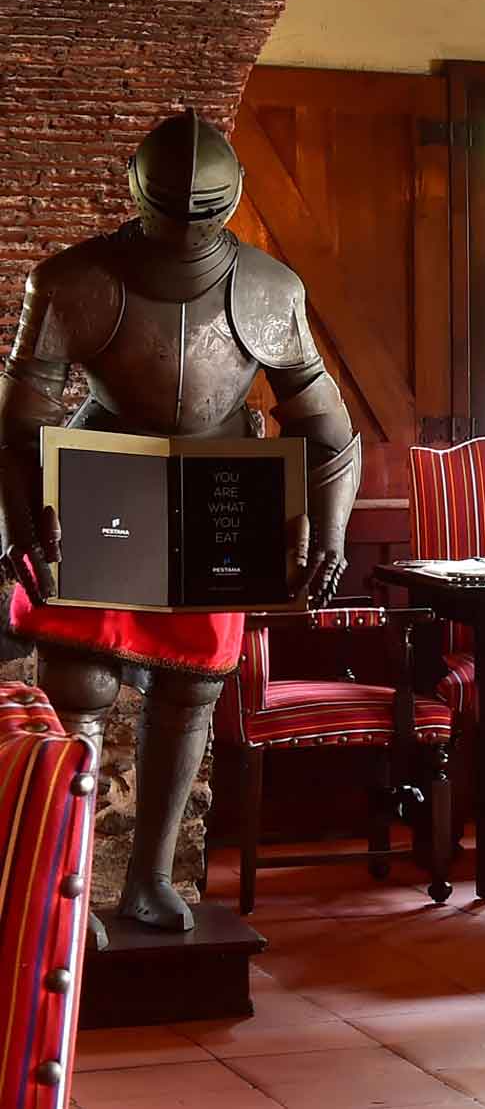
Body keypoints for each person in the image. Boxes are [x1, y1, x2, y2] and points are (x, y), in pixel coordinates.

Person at [0, 112, 359, 944]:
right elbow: (18, 424)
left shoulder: (270, 287)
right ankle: (71, 888)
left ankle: (151, 879)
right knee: (81, 685)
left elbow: (327, 425)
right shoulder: (74, 279)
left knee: (192, 684)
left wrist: (331, 529)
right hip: (97, 475)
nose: (190, 223)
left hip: (222, 482)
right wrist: (22, 521)